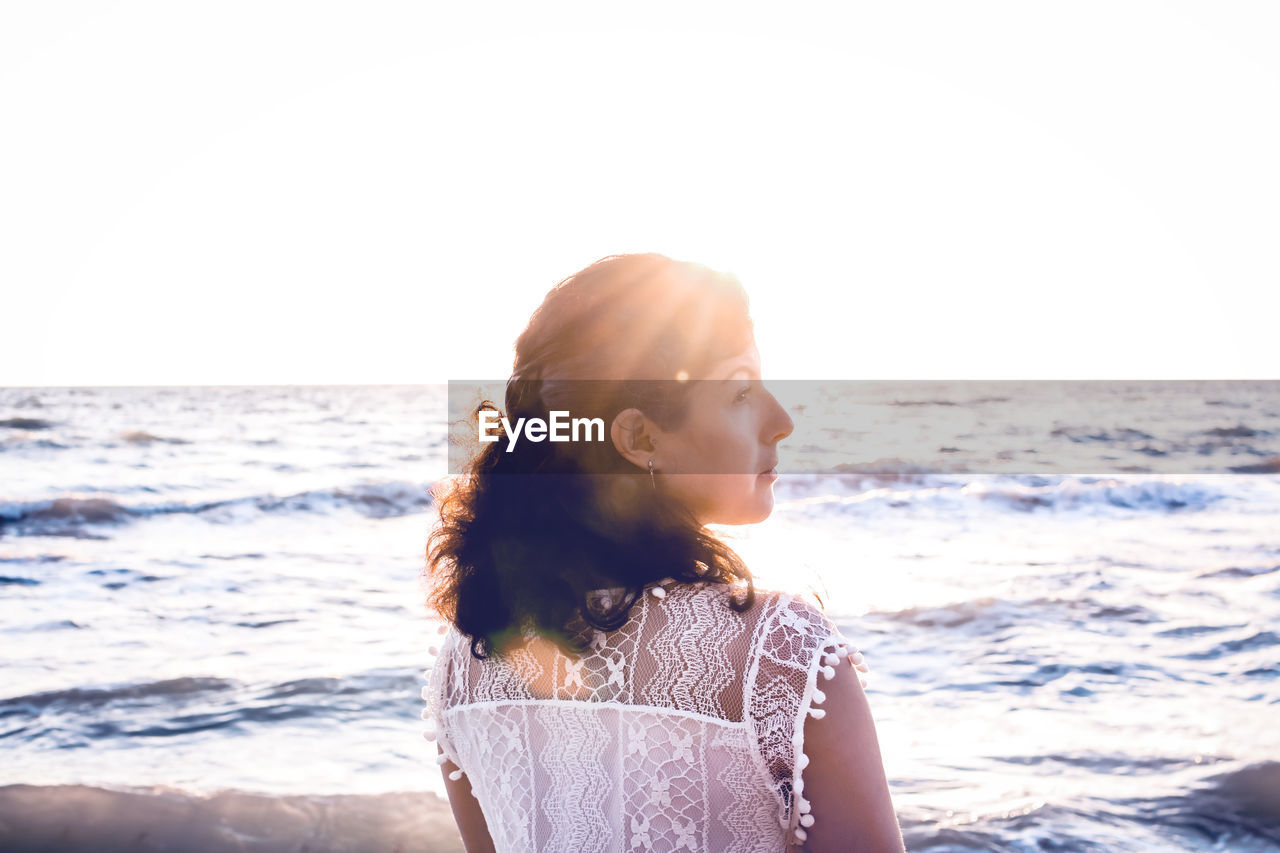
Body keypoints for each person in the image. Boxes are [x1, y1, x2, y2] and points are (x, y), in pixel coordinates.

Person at [421, 253, 906, 852]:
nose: (780, 420)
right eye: (740, 392)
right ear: (639, 438)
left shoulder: (464, 663)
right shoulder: (777, 652)